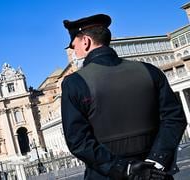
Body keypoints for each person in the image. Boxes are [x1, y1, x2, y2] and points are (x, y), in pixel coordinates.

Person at [61, 14, 187, 180]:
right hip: (156, 175)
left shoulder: (74, 83)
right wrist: (156, 160)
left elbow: (78, 141)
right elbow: (175, 118)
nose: (73, 50)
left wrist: (125, 169)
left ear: (86, 41)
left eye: (74, 45)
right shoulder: (150, 71)